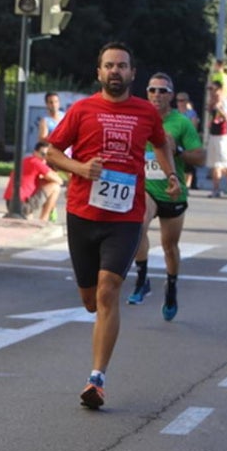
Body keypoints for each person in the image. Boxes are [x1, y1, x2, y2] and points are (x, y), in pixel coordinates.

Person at [45, 42, 179, 410]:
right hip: (83, 215)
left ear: (132, 73)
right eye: (109, 66)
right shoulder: (82, 110)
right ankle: (97, 355)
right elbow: (52, 152)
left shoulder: (145, 112)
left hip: (124, 218)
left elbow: (162, 143)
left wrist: (171, 175)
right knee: (90, 300)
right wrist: (79, 168)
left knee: (109, 291)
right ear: (99, 72)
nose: (116, 71)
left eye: (122, 66)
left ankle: (97, 379)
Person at [127, 72, 204, 321]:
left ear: (171, 95)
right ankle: (142, 279)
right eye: (152, 90)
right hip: (147, 187)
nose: (157, 95)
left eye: (162, 91)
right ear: (147, 93)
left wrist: (178, 151)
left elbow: (200, 157)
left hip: (172, 190)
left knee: (169, 246)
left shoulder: (181, 123)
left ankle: (171, 288)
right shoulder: (138, 117)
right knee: (138, 225)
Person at [3, 141, 63, 222]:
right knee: (55, 187)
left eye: (48, 156)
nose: (45, 158)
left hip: (11, 204)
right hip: (21, 204)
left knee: (44, 182)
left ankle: (28, 214)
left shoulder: (27, 160)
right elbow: (59, 181)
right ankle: (43, 220)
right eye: (43, 154)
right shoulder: (36, 162)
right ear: (35, 152)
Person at [206, 81, 227, 198]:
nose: (211, 92)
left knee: (226, 163)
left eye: (213, 89)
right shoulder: (213, 100)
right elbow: (210, 112)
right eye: (210, 90)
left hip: (223, 136)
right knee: (215, 164)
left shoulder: (224, 101)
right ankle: (216, 189)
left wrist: (219, 108)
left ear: (219, 89)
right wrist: (212, 104)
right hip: (214, 134)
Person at [174, 91, 201, 189]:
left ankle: (186, 186)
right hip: (176, 141)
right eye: (178, 100)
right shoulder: (174, 113)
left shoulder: (191, 114)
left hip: (186, 143)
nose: (179, 103)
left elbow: (193, 129)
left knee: (188, 166)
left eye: (182, 100)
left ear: (187, 101)